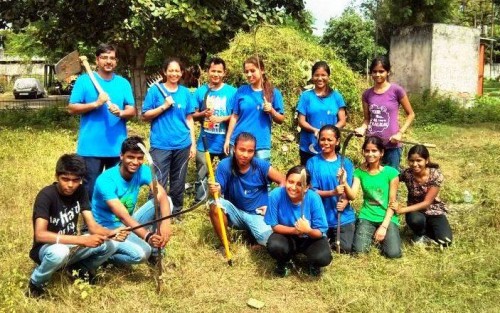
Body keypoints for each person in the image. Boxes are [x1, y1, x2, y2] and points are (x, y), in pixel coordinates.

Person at [27, 154, 128, 298]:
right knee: (59, 252)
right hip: (46, 249)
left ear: (81, 180)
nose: (70, 185)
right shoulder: (46, 195)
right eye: (65, 179)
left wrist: (112, 233)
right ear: (57, 176)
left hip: (71, 245)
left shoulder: (80, 191)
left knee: (111, 244)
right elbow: (40, 235)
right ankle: (36, 284)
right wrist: (82, 240)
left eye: (75, 180)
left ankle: (80, 270)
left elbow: (92, 227)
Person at [68, 43, 136, 200]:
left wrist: (121, 112)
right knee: (89, 189)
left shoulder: (123, 83)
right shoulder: (84, 81)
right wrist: (96, 104)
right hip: (90, 148)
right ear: (97, 60)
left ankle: (112, 221)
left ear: (116, 61)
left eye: (112, 58)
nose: (108, 61)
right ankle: (88, 224)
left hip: (117, 147)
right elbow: (72, 108)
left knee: (115, 188)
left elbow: (132, 110)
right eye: (104, 57)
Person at [92, 136, 172, 265]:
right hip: (109, 228)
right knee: (141, 254)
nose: (135, 162)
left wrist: (166, 224)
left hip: (129, 224)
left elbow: (161, 195)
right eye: (130, 157)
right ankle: (107, 258)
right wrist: (147, 236)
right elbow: (123, 216)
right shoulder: (106, 180)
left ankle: (156, 254)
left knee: (167, 200)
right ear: (121, 156)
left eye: (140, 158)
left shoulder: (144, 171)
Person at [208, 132, 285, 248]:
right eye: (241, 150)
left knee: (272, 245)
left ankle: (255, 238)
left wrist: (272, 206)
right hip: (235, 212)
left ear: (254, 152)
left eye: (250, 151)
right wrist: (216, 189)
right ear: (234, 149)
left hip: (257, 214)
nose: (245, 154)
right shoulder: (224, 165)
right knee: (215, 205)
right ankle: (226, 245)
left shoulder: (261, 166)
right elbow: (217, 192)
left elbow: (283, 181)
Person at [142, 57, 196, 215]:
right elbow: (145, 115)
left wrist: (192, 143)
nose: (174, 73)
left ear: (181, 72)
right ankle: (155, 212)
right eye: (170, 70)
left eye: (177, 70)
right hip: (161, 144)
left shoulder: (185, 92)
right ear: (165, 72)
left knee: (178, 180)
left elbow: (189, 118)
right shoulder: (155, 90)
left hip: (182, 143)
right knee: (158, 180)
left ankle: (176, 211)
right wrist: (163, 106)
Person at [265, 166, 332, 277]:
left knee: (323, 257)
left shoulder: (314, 198)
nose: (293, 187)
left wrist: (308, 230)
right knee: (275, 245)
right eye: (290, 182)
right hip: (287, 235)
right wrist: (295, 231)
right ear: (285, 181)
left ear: (307, 187)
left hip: (310, 238)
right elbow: (274, 226)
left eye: (299, 184)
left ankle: (313, 264)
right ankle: (284, 261)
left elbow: (320, 231)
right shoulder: (275, 195)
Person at [343, 136, 401, 258]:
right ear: (363, 152)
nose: (370, 154)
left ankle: (381, 235)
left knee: (393, 254)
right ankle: (373, 234)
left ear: (382, 153)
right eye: (367, 151)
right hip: (367, 215)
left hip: (387, 217)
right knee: (359, 252)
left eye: (374, 151)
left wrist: (384, 226)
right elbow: (352, 195)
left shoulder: (391, 173)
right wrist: (344, 182)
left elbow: (392, 202)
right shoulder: (359, 172)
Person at [354, 56, 415, 170]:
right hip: (373, 147)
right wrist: (362, 128)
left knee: (391, 178)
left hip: (392, 144)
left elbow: (411, 114)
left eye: (381, 71)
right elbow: (367, 119)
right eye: (375, 71)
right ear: (371, 72)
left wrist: (400, 133)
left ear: (388, 72)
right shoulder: (367, 94)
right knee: (373, 176)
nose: (378, 75)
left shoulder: (396, 90)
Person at [192, 57, 237, 202]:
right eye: (213, 71)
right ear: (207, 72)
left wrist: (221, 119)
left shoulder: (232, 92)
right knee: (202, 172)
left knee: (228, 172)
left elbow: (237, 115)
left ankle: (226, 200)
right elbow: (192, 115)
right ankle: (200, 201)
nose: (215, 74)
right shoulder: (200, 91)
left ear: (224, 73)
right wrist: (202, 114)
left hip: (225, 140)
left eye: (219, 71)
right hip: (204, 141)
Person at [224, 56, 285, 161]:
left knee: (260, 175)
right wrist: (228, 139)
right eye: (246, 71)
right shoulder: (241, 91)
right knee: (236, 175)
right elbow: (234, 116)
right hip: (239, 142)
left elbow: (281, 119)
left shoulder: (273, 92)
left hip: (260, 144)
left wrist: (272, 111)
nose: (249, 74)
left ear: (262, 70)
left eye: (252, 71)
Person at [306, 125, 356, 253]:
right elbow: (311, 191)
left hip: (342, 215)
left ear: (337, 141)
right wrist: (332, 192)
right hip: (320, 215)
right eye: (322, 139)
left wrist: (345, 200)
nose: (325, 143)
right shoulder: (312, 163)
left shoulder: (346, 163)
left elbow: (348, 189)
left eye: (330, 140)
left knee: (345, 249)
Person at [395, 145, 452, 247]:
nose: (415, 164)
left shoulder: (435, 175)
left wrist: (402, 210)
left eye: (419, 160)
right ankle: (420, 233)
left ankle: (427, 229)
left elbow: (427, 203)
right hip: (415, 211)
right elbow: (391, 179)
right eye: (411, 161)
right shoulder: (407, 174)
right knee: (415, 220)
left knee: (445, 241)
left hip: (434, 210)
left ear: (426, 160)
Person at [297, 61, 347, 165]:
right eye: (316, 75)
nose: (320, 78)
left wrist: (329, 133)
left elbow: (342, 120)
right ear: (312, 77)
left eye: (323, 75)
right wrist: (315, 130)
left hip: (330, 145)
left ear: (328, 77)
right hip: (309, 145)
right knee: (308, 176)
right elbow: (301, 121)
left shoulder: (337, 96)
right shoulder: (306, 96)